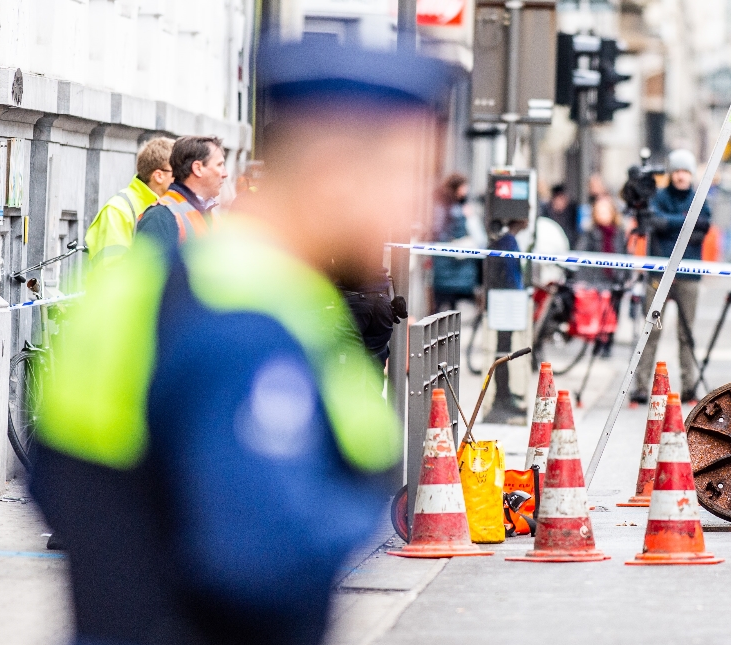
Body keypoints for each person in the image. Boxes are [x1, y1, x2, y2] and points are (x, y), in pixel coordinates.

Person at [29, 39, 444, 643]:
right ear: (335, 173)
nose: (423, 210)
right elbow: (259, 553)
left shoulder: (198, 286)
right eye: (406, 180)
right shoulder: (242, 318)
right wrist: (360, 505)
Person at [631, 149, 710, 403]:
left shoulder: (699, 198)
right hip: (659, 275)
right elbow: (657, 223)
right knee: (650, 332)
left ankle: (689, 386)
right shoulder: (659, 197)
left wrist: (672, 224)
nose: (681, 176)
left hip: (689, 275)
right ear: (671, 173)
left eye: (685, 171)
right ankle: (641, 386)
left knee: (686, 334)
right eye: (677, 171)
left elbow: (703, 226)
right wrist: (687, 221)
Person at [84, 137, 174, 270]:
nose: (183, 176)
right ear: (159, 175)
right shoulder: (118, 210)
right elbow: (111, 272)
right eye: (178, 171)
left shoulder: (170, 205)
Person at [135, 135, 228, 251]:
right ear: (197, 168)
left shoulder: (213, 214)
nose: (225, 174)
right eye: (219, 165)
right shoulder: (159, 217)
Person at [577, 195, 628, 357]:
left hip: (615, 280)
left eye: (605, 211)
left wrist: (626, 278)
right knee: (599, 314)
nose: (602, 214)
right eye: (599, 211)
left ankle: (609, 344)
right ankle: (598, 344)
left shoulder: (619, 233)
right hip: (596, 280)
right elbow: (581, 254)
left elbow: (625, 255)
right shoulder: (590, 232)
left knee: (614, 313)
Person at [431, 173, 479, 312]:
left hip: (456, 261)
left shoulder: (459, 204)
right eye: (464, 187)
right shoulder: (446, 205)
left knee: (451, 301)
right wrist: (452, 240)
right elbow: (438, 229)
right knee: (445, 299)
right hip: (449, 258)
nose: (466, 191)